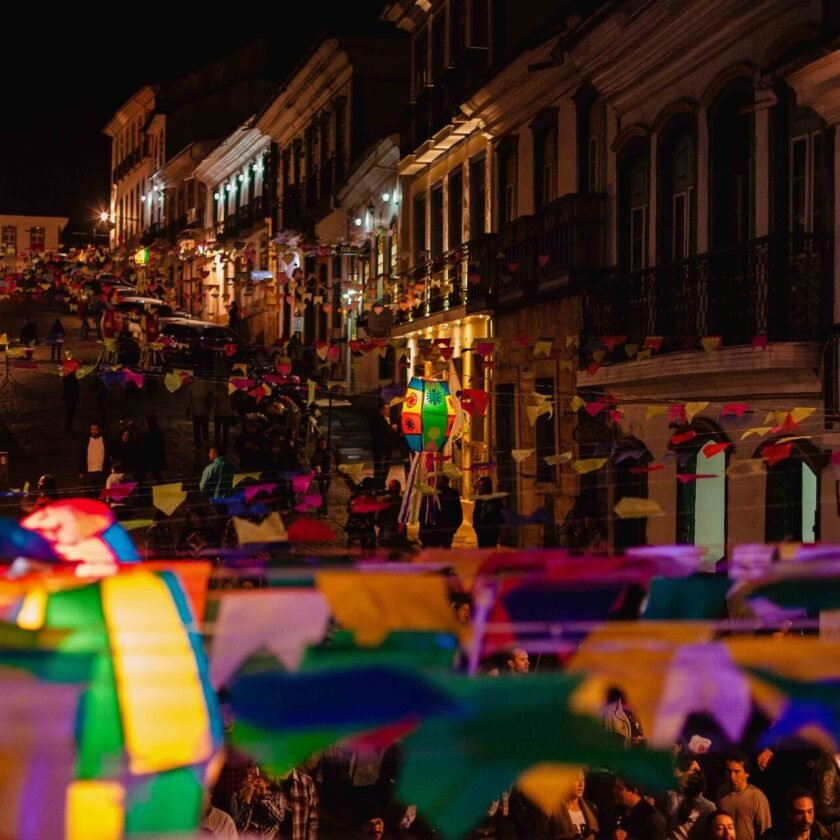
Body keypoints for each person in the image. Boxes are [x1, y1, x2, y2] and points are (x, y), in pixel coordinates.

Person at [716, 752, 772, 840]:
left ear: (747, 773)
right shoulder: (721, 792)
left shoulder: (756, 796)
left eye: (737, 772)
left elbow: (765, 832)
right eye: (729, 771)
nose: (732, 776)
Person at [230, 767, 286, 838]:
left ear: (268, 782)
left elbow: (278, 819)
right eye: (253, 777)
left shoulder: (277, 796)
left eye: (260, 778)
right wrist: (247, 798)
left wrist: (264, 795)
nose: (256, 781)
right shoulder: (237, 797)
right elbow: (240, 828)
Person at [762, 788, 829, 840]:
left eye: (810, 812)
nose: (806, 819)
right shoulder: (772, 837)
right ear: (789, 814)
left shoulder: (823, 836)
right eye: (800, 813)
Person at [613, 775, 667, 840]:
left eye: (619, 788)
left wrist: (628, 838)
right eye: (615, 786)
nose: (614, 790)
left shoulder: (653, 818)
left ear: (634, 791)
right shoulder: (620, 808)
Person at [554, 768, 600, 839]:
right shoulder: (553, 810)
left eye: (583, 780)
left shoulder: (591, 808)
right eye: (575, 779)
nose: (581, 784)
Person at [472, 476, 505, 548]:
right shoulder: (479, 500)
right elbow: (476, 514)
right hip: (481, 532)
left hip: (491, 533)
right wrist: (476, 526)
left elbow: (502, 516)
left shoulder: (496, 500)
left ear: (487, 487)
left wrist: (494, 524)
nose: (480, 489)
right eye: (479, 486)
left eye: (482, 486)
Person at [78, 422, 110, 495]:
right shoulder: (86, 441)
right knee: (90, 493)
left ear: (99, 430)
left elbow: (108, 455)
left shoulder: (105, 440)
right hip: (89, 472)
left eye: (96, 429)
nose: (94, 431)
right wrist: (81, 471)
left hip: (101, 472)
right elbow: (81, 456)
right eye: (92, 429)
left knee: (101, 493)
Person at [310, 437, 335, 515]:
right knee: (323, 493)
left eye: (324, 444)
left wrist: (333, 466)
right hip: (321, 475)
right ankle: (325, 512)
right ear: (318, 445)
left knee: (324, 493)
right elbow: (313, 464)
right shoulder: (317, 453)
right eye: (321, 444)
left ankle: (319, 509)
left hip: (328, 475)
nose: (323, 445)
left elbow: (333, 462)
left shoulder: (329, 452)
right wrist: (316, 467)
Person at [60, 370, 79, 435]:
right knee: (70, 414)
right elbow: (75, 389)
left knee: (68, 414)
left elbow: (65, 388)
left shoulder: (66, 378)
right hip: (72, 398)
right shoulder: (73, 378)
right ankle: (69, 429)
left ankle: (68, 428)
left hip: (68, 398)